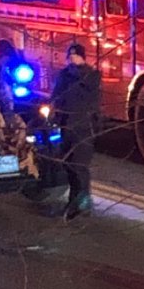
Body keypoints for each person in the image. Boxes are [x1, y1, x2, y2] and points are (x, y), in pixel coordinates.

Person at [50, 42, 101, 219]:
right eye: (70, 57)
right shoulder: (64, 75)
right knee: (69, 166)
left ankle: (83, 202)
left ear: (82, 57)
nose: (72, 60)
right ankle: (73, 201)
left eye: (75, 56)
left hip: (82, 127)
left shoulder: (91, 76)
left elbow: (92, 99)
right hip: (67, 126)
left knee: (80, 166)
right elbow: (56, 96)